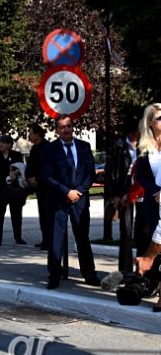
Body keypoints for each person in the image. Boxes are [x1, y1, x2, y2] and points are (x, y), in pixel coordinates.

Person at [41, 115, 100, 290]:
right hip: (58, 199)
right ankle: (54, 275)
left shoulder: (84, 146)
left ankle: (89, 274)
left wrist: (79, 191)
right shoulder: (49, 149)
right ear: (56, 130)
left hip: (80, 200)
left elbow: (90, 173)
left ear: (72, 127)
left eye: (68, 126)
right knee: (55, 239)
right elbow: (46, 176)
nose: (65, 129)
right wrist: (66, 191)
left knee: (82, 238)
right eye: (61, 127)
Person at [105, 116, 142, 272]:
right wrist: (115, 194)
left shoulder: (145, 146)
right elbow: (111, 171)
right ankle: (125, 270)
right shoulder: (118, 145)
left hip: (141, 188)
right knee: (126, 230)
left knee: (143, 231)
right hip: (123, 189)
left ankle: (142, 269)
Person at [134, 102, 161, 312]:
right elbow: (142, 176)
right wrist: (155, 191)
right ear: (150, 122)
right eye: (159, 118)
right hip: (153, 203)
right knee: (156, 244)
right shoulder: (144, 147)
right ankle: (152, 284)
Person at [0, 135, 27, 247]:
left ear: (9, 144)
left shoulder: (17, 155)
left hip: (14, 189)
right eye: (0, 142)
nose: (1, 144)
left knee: (16, 214)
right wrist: (6, 175)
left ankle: (18, 237)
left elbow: (21, 168)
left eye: (3, 142)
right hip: (0, 189)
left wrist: (15, 173)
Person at [25, 124, 50, 250]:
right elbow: (30, 166)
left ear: (37, 134)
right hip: (38, 187)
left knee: (48, 214)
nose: (29, 135)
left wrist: (38, 179)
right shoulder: (34, 148)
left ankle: (50, 241)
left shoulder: (47, 147)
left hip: (47, 187)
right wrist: (29, 177)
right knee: (42, 214)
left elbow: (47, 168)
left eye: (30, 133)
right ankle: (45, 239)